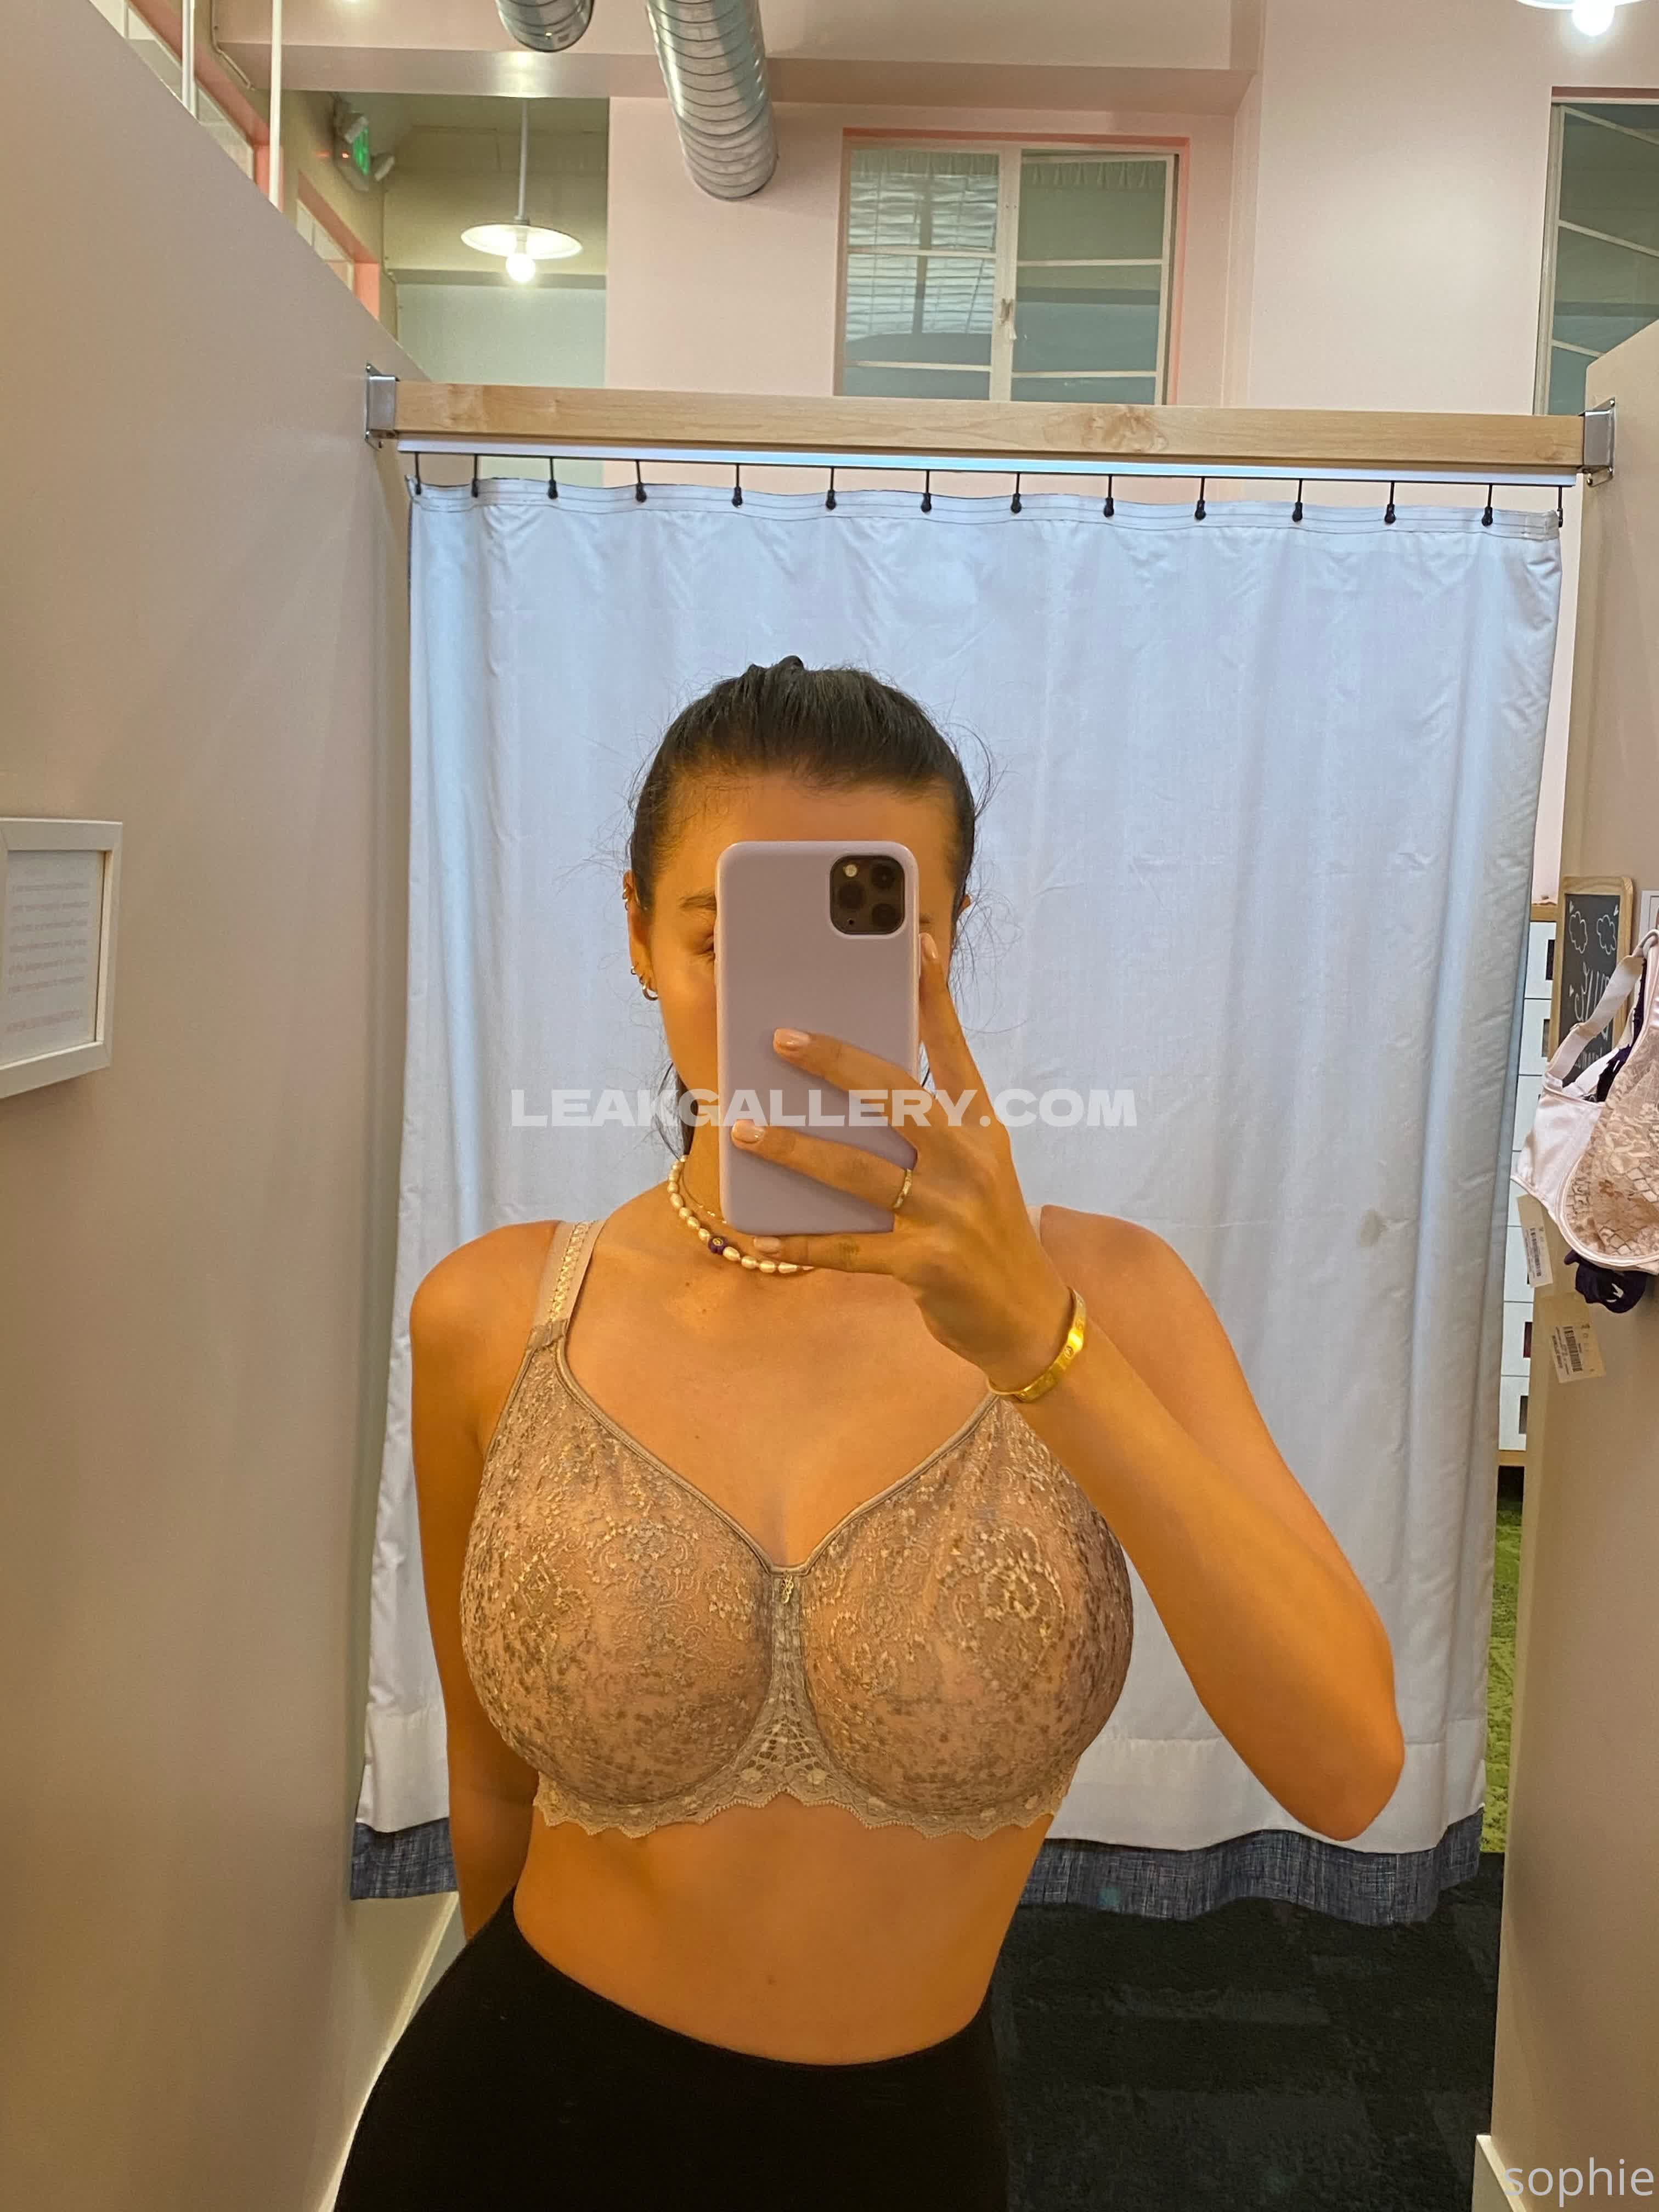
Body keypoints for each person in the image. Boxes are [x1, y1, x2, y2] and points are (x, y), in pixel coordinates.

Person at [335, 659, 1404, 2210]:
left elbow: (1350, 1770)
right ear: (638, 935)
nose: (784, 1009)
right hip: (505, 2125)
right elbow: (495, 1794)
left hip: (900, 2151)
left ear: (947, 944)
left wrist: (1042, 1348)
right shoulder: (497, 1317)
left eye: (866, 935)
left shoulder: (1111, 1302)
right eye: (724, 938)